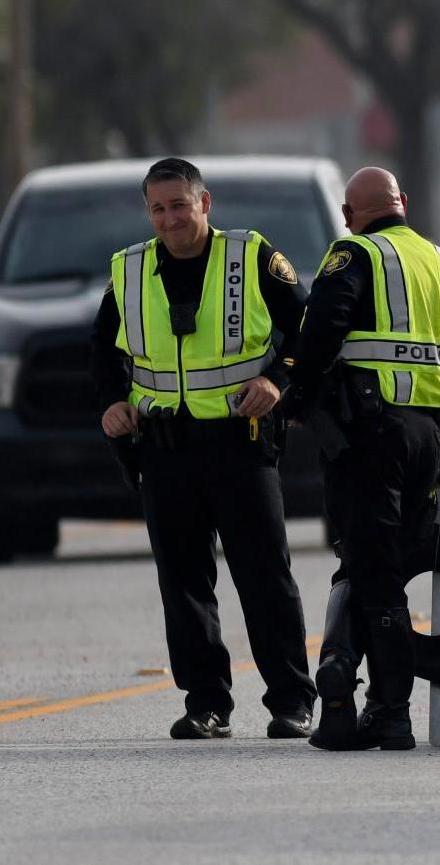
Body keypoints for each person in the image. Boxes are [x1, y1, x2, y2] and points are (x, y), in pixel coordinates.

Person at [281, 166, 440, 751]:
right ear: (403, 203)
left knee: (374, 570)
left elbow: (322, 330)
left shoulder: (353, 254)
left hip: (371, 438)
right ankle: (361, 692)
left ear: (348, 215)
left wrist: (296, 398)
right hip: (428, 439)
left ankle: (387, 710)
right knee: (388, 561)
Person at [90, 156, 316, 741]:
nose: (169, 219)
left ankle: (292, 700)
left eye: (179, 206)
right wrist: (113, 402)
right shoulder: (130, 270)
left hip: (239, 445)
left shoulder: (251, 257)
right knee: (184, 581)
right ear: (147, 211)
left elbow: (308, 331)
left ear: (205, 203)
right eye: (158, 208)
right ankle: (206, 703)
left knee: (264, 575)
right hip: (165, 451)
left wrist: (278, 383)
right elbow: (101, 350)